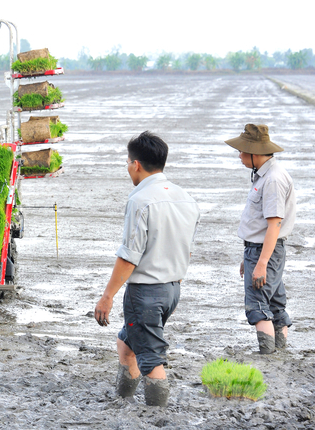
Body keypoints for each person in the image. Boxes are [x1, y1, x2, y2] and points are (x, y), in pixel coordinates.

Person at [93, 131, 200, 407]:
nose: (128, 168)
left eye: (128, 162)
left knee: (151, 358)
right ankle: (123, 398)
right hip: (172, 291)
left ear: (136, 164)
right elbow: (186, 247)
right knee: (127, 344)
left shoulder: (139, 200)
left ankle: (156, 413)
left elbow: (129, 257)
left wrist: (108, 296)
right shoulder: (185, 197)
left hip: (145, 294)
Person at [224, 123, 295, 354]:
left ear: (255, 153)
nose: (239, 156)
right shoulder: (265, 174)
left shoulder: (273, 179)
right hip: (262, 250)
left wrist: (261, 263)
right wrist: (250, 258)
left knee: (257, 305)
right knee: (274, 302)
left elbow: (274, 224)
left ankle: (268, 355)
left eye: (242, 151)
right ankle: (279, 353)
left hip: (266, 251)